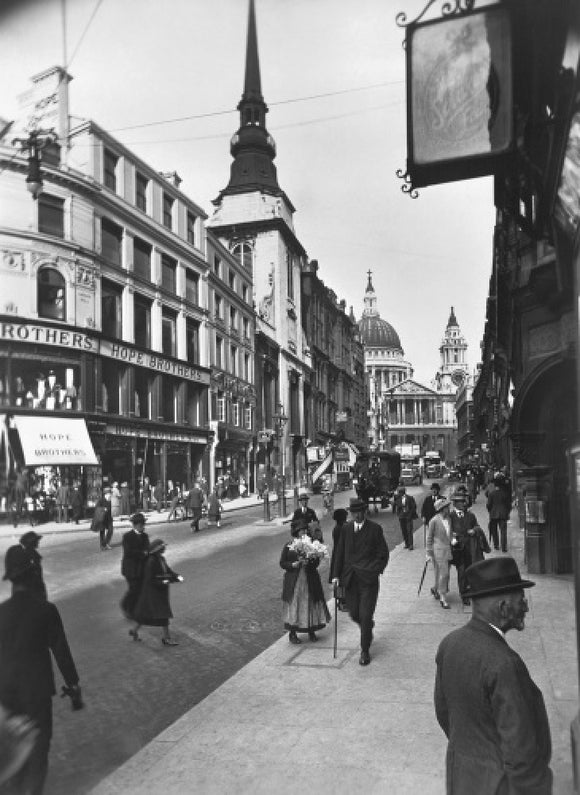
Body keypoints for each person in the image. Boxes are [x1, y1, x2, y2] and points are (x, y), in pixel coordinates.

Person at [434, 557, 552, 794]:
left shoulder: (450, 644)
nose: (526, 607)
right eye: (521, 599)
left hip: (462, 779)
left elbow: (443, 711)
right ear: (503, 607)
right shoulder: (505, 663)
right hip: (501, 786)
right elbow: (521, 751)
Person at [0, 545, 82, 795]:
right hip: (36, 694)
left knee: (12, 756)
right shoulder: (46, 611)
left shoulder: (0, 613)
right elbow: (61, 652)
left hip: (6, 696)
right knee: (37, 755)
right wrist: (74, 686)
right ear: (33, 575)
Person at [332, 497, 390, 665]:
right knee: (354, 613)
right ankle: (368, 626)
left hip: (368, 581)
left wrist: (375, 570)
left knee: (365, 615)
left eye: (359, 512)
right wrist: (336, 575)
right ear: (351, 513)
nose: (357, 516)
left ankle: (364, 650)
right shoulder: (346, 529)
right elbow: (339, 553)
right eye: (354, 513)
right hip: (350, 580)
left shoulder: (375, 529)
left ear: (364, 512)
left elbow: (383, 554)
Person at [280, 520, 330, 644]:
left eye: (305, 530)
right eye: (301, 530)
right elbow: (282, 563)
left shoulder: (311, 545)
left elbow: (317, 562)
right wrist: (292, 564)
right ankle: (292, 633)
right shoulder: (289, 545)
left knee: (310, 603)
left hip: (310, 579)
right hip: (295, 581)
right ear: (296, 532)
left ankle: (311, 631)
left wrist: (311, 562)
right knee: (296, 605)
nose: (304, 532)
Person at [131, 539, 183, 645]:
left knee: (146, 614)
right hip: (154, 593)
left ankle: (134, 630)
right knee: (163, 614)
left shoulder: (161, 559)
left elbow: (167, 570)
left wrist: (176, 575)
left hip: (159, 592)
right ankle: (166, 638)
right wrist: (163, 581)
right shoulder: (151, 562)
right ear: (157, 549)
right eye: (162, 547)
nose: (164, 548)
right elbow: (150, 579)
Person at [120, 512, 150, 620]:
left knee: (139, 589)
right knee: (134, 589)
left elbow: (148, 549)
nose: (143, 527)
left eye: (143, 524)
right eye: (141, 525)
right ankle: (126, 606)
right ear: (135, 525)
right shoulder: (127, 537)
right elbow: (128, 552)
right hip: (130, 569)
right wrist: (142, 553)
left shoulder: (145, 536)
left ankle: (134, 609)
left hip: (141, 568)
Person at [426, 498, 453, 609]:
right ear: (442, 509)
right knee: (445, 574)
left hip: (448, 549)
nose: (449, 508)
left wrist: (452, 539)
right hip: (438, 550)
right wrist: (428, 552)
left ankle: (435, 588)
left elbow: (449, 533)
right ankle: (443, 598)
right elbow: (429, 537)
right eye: (447, 507)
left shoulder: (449, 519)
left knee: (440, 573)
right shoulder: (434, 521)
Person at [4, 530, 47, 599]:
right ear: (31, 542)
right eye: (36, 540)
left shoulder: (32, 554)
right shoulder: (24, 554)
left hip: (33, 589)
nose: (38, 542)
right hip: (29, 590)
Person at [328, 508, 348, 610]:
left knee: (340, 577)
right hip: (341, 555)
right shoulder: (340, 528)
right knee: (341, 577)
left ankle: (342, 601)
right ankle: (341, 602)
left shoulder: (338, 528)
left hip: (338, 554)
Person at [487, 474, 511, 552]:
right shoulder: (505, 493)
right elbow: (508, 505)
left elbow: (488, 505)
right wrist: (507, 512)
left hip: (493, 514)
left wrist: (490, 511)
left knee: (494, 531)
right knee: (503, 531)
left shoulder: (491, 494)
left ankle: (496, 545)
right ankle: (504, 547)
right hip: (503, 514)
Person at [393, 484, 418, 550]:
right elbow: (395, 505)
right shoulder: (397, 498)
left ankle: (411, 545)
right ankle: (406, 544)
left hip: (408, 517)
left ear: (403, 492)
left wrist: (410, 514)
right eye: (398, 492)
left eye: (400, 492)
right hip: (401, 517)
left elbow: (414, 507)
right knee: (404, 531)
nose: (399, 493)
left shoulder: (410, 498)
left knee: (409, 530)